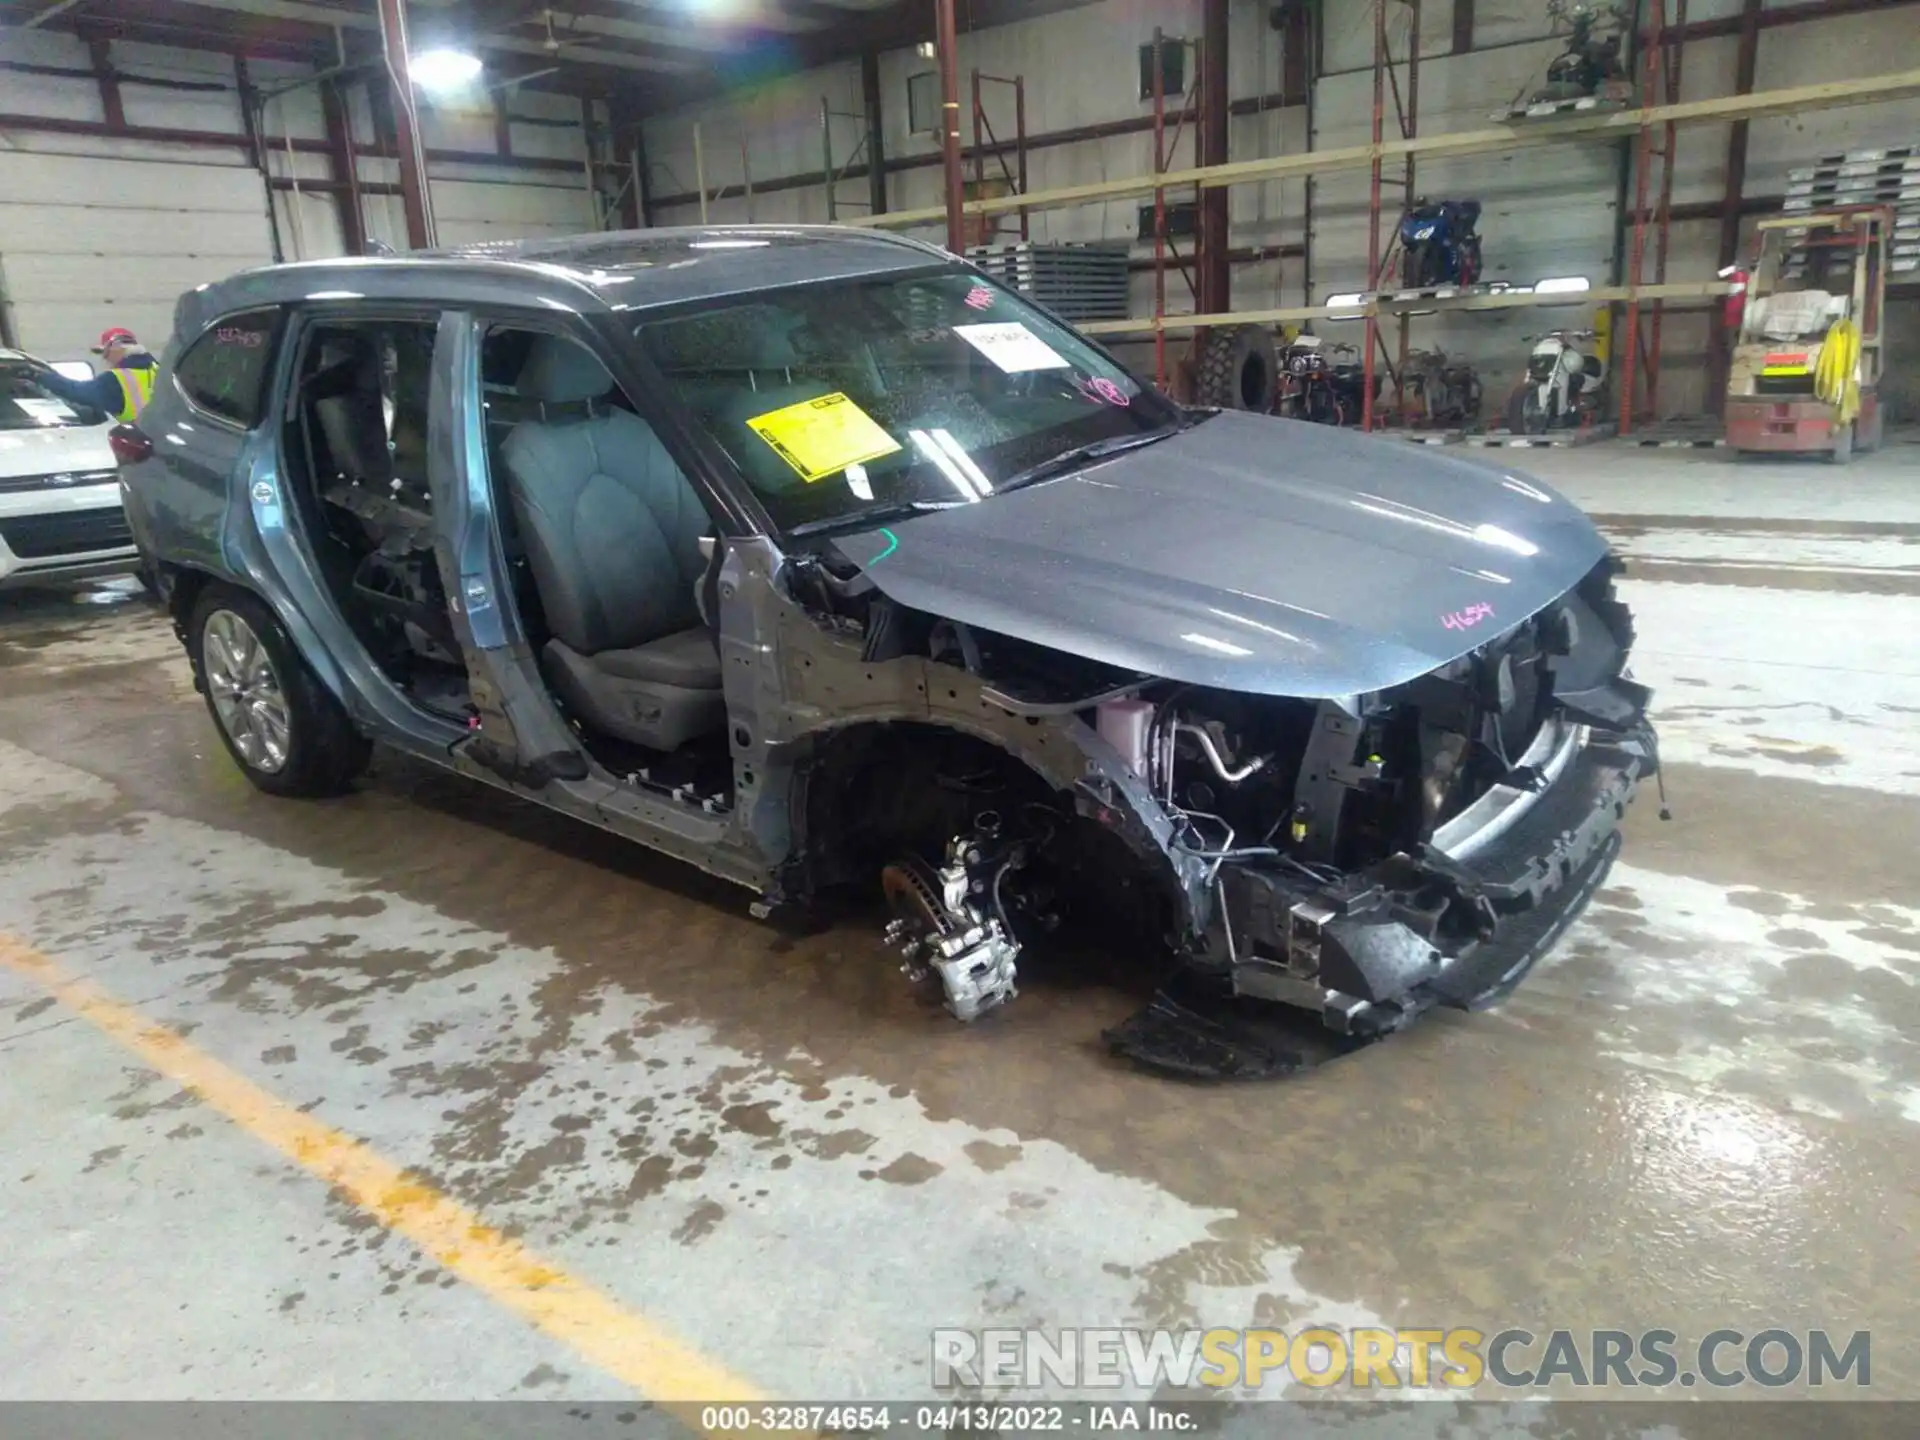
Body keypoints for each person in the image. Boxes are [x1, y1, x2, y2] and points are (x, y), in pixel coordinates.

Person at [30, 326, 158, 422]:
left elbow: (75, 391)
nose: (105, 359)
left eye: (105, 353)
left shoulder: (115, 380)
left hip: (138, 448)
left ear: (116, 347)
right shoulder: (161, 371)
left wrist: (40, 375)